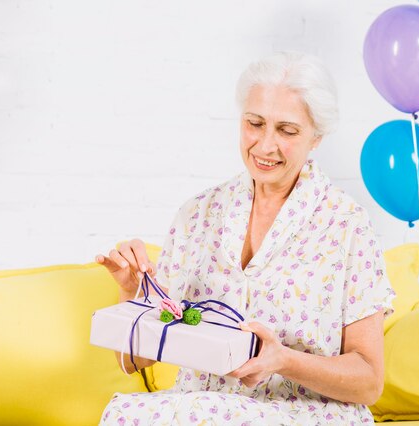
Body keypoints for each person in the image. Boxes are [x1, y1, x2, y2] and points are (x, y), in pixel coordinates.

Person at [96, 51, 394, 425]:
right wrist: (133, 295)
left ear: (316, 137)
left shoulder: (347, 225)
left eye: (286, 130)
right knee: (127, 413)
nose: (265, 145)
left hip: (304, 414)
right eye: (255, 123)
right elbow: (134, 361)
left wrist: (284, 360)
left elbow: (369, 382)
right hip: (201, 410)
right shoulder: (198, 214)